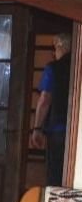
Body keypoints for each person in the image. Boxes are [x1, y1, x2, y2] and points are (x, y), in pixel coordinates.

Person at [30, 33, 72, 186]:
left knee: (55, 176)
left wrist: (37, 129)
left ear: (62, 46)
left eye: (55, 48)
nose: (54, 53)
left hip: (57, 129)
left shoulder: (53, 68)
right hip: (77, 130)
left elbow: (45, 100)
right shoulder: (77, 67)